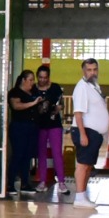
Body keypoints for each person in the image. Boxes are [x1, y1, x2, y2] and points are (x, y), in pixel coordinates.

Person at [70, 58, 109, 208]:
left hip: (94, 132)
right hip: (86, 131)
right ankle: (79, 197)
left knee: (88, 166)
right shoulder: (82, 87)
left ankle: (83, 195)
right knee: (82, 165)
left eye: (95, 69)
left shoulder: (93, 86)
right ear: (83, 71)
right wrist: (82, 134)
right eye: (89, 70)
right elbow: (78, 113)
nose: (92, 72)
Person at [6, 70, 43, 197]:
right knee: (18, 154)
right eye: (30, 79)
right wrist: (33, 103)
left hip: (32, 127)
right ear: (23, 80)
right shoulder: (15, 92)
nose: (33, 83)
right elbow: (16, 106)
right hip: (19, 127)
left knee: (28, 155)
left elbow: (39, 107)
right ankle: (10, 183)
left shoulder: (34, 92)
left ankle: (25, 183)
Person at [34, 65, 67, 194]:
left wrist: (58, 108)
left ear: (49, 77)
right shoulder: (34, 89)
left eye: (45, 78)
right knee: (41, 154)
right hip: (40, 125)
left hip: (54, 124)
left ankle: (62, 182)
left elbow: (61, 104)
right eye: (40, 77)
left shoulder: (55, 88)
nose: (42, 80)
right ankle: (42, 181)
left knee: (57, 153)